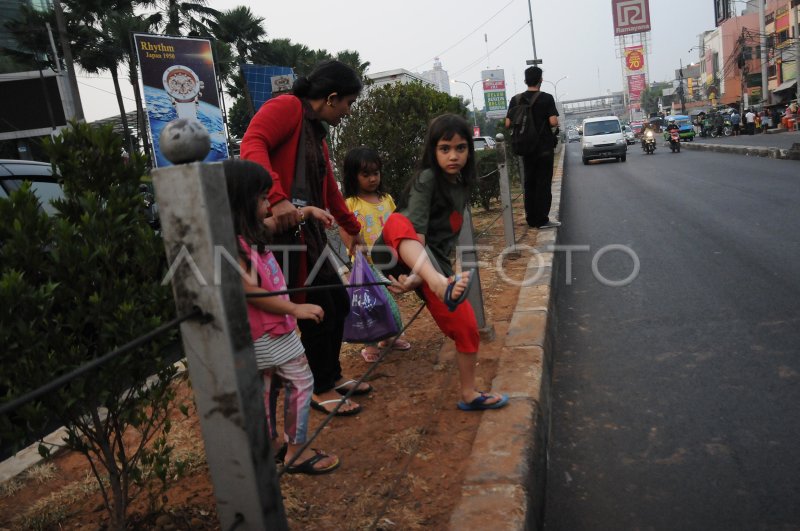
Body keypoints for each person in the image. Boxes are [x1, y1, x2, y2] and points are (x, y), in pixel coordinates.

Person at [241, 59, 370, 417]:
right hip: (281, 234)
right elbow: (252, 143)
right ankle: (319, 388)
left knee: (335, 305)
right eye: (348, 103)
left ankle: (329, 377)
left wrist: (352, 228)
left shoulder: (315, 131)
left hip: (307, 232)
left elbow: (327, 184)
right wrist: (277, 197)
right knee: (314, 311)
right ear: (331, 97)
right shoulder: (286, 108)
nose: (347, 111)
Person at [371, 114, 509, 411]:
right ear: (433, 151)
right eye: (445, 148)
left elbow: (451, 238)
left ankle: (470, 394)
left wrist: (432, 276)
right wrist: (424, 277)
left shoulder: (461, 183)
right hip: (394, 253)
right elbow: (414, 235)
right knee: (397, 220)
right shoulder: (427, 178)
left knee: (467, 326)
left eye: (460, 148)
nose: (453, 155)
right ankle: (436, 282)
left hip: (431, 270)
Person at [223, 159, 340, 475]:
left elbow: (279, 223)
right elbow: (249, 291)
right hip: (272, 331)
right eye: (262, 198)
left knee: (268, 389)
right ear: (242, 201)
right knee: (301, 384)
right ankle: (296, 452)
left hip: (266, 332)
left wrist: (310, 212)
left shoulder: (249, 234)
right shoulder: (236, 248)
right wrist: (294, 309)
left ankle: (271, 445)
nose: (268, 204)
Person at [341, 146, 412, 363]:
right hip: (365, 265)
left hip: (386, 262)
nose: (373, 179)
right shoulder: (351, 204)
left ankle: (388, 338)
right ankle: (370, 344)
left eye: (376, 173)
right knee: (369, 305)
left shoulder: (387, 199)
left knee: (383, 300)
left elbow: (396, 223)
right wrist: (354, 250)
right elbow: (345, 230)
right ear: (353, 176)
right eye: (366, 174)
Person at [505, 66, 560, 229]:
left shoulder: (516, 99)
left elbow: (507, 124)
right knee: (543, 183)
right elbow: (553, 122)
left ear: (525, 81)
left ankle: (531, 218)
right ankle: (542, 219)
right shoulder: (547, 98)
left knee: (529, 183)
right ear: (540, 80)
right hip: (543, 148)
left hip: (525, 148)